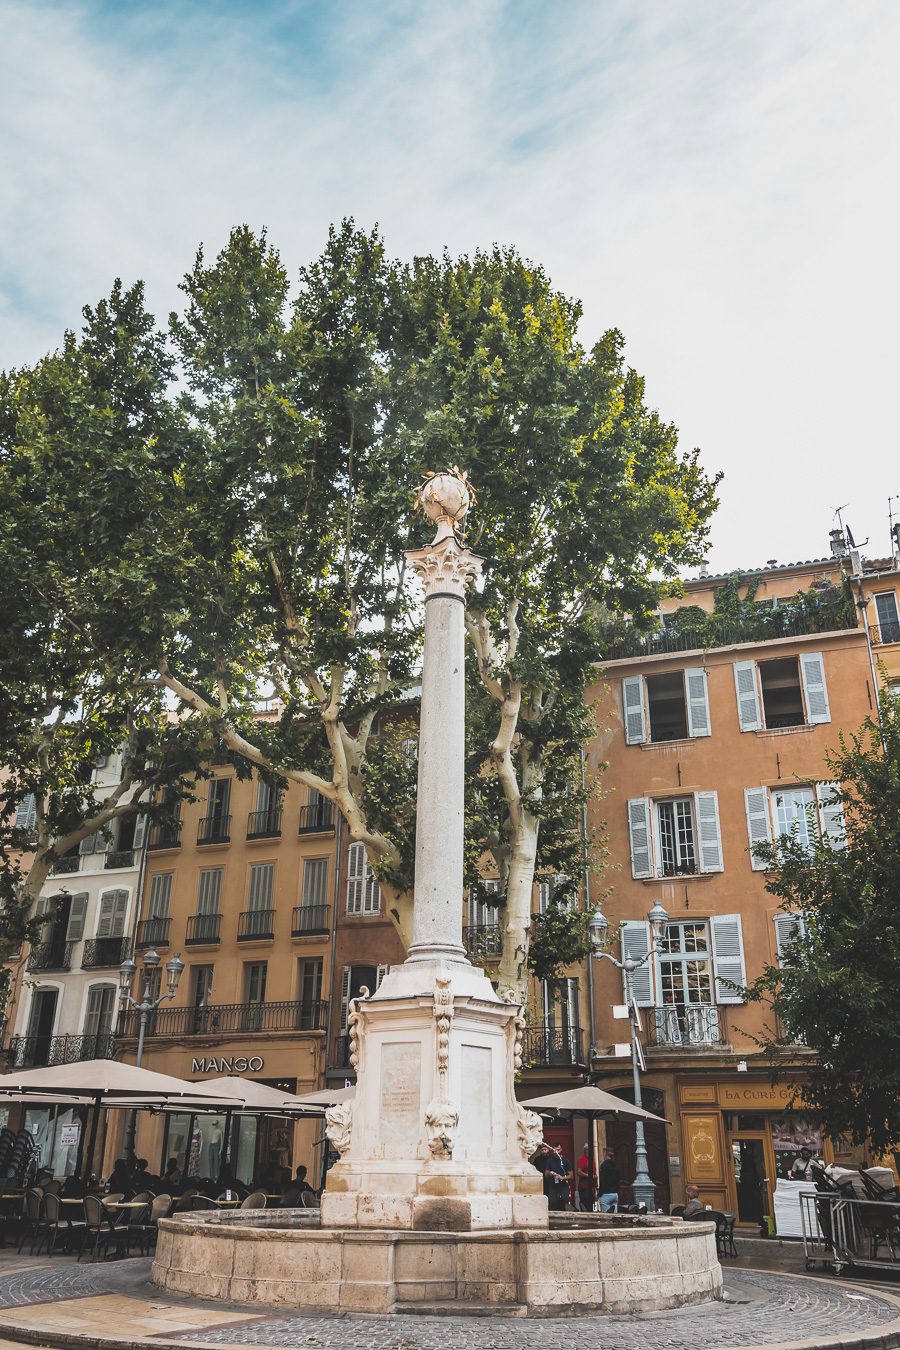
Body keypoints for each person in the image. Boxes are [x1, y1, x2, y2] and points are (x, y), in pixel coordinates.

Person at [598, 1148, 620, 1213]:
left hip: (606, 1194)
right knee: (615, 1217)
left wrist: (600, 1193)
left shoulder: (604, 1165)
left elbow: (602, 1180)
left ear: (606, 1155)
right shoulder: (616, 1165)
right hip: (615, 1194)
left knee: (606, 1217)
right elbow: (618, 1180)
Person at [576, 1147, 597, 1212]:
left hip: (591, 1186)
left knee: (592, 1204)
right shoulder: (582, 1159)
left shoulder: (592, 1160)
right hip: (584, 1187)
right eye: (587, 1151)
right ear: (585, 1151)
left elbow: (594, 1172)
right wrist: (588, 1176)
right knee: (585, 1204)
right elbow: (579, 1172)